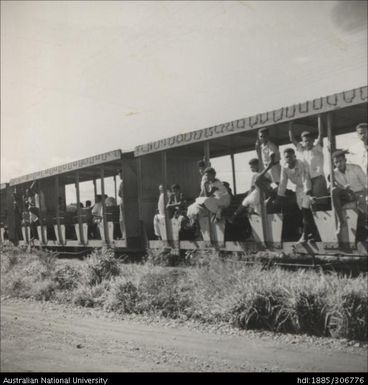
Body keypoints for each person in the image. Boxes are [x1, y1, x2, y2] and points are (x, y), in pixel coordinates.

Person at [277, 148, 317, 244]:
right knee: (304, 213)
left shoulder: (301, 163)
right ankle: (313, 233)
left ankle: (305, 235)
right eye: (287, 157)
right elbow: (283, 182)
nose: (289, 158)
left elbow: (305, 178)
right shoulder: (284, 167)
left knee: (305, 210)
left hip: (307, 187)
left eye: (291, 156)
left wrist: (308, 191)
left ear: (294, 156)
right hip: (298, 189)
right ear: (284, 158)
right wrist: (280, 195)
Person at [331, 150, 367, 237]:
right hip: (348, 195)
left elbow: (366, 185)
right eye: (336, 162)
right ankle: (341, 222)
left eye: (341, 161)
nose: (339, 164)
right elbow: (332, 189)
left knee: (363, 205)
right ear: (334, 163)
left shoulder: (356, 168)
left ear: (345, 160)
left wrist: (363, 196)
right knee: (333, 191)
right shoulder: (333, 174)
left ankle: (363, 230)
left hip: (360, 193)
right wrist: (342, 188)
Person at [228, 158, 274, 223]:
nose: (251, 169)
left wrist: (249, 195)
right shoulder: (263, 174)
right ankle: (238, 214)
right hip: (260, 192)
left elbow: (253, 188)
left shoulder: (257, 175)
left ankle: (235, 215)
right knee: (247, 200)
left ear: (257, 165)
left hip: (260, 193)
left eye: (252, 167)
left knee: (246, 201)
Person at [289, 123, 328, 197]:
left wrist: (319, 117)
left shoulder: (317, 148)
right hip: (306, 180)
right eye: (305, 141)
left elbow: (321, 134)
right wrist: (290, 124)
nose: (307, 142)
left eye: (309, 140)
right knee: (310, 203)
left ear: (313, 140)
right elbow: (292, 139)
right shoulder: (302, 150)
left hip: (318, 178)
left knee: (320, 201)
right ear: (302, 142)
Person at [117, 169, 126, 239]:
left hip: (124, 202)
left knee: (122, 219)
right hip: (127, 202)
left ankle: (124, 235)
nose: (119, 175)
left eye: (120, 174)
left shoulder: (122, 183)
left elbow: (119, 194)